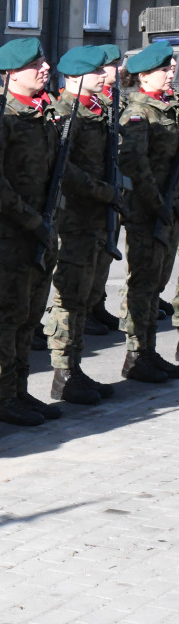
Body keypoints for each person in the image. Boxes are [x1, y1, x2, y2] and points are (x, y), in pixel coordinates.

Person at [0, 37, 63, 428]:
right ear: (13, 74)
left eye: (44, 61)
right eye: (36, 65)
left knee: (31, 317)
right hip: (16, 232)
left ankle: (19, 389)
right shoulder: (3, 116)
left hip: (43, 227)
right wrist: (31, 219)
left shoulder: (43, 111)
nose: (46, 68)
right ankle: (2, 396)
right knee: (11, 316)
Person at [43, 45, 117, 405]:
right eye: (96, 71)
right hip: (72, 220)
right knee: (69, 299)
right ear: (74, 77)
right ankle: (63, 373)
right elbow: (64, 171)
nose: (104, 76)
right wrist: (103, 191)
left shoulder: (96, 110)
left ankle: (75, 367)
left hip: (95, 219)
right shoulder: (64, 114)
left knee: (86, 296)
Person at [117, 42, 179, 383]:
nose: (170, 72)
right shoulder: (139, 112)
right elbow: (135, 165)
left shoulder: (168, 106)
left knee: (156, 284)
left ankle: (150, 352)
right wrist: (158, 203)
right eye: (164, 69)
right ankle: (136, 355)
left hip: (168, 208)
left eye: (171, 67)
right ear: (144, 75)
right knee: (142, 285)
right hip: (148, 210)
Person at [86, 43, 126, 336]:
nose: (117, 70)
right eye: (112, 65)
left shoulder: (114, 99)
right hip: (90, 197)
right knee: (85, 263)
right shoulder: (90, 103)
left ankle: (96, 304)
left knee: (103, 257)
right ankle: (85, 308)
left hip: (112, 190)